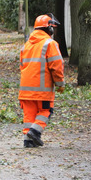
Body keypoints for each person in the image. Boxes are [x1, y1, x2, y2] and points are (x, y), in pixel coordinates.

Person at [19, 14, 65, 148]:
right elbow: (57, 65)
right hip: (42, 90)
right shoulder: (50, 44)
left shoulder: (26, 45)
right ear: (49, 29)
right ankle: (34, 132)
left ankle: (28, 141)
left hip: (25, 90)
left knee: (29, 115)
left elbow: (22, 65)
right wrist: (60, 83)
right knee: (46, 111)